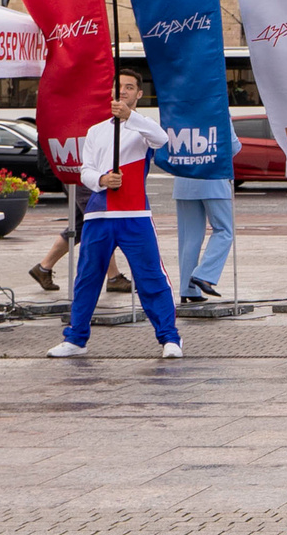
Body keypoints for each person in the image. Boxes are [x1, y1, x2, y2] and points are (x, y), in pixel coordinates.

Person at [47, 72, 186, 362]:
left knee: (150, 277)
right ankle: (76, 338)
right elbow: (84, 171)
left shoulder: (143, 128)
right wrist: (101, 179)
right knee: (87, 277)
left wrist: (130, 117)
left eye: (129, 88)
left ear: (138, 95)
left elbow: (161, 140)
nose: (122, 92)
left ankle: (170, 338)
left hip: (135, 214)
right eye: (118, 87)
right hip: (99, 216)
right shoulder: (97, 131)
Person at [174, 170, 235, 302]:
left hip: (184, 182)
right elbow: (233, 149)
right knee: (224, 231)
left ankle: (187, 289)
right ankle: (204, 275)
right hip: (214, 180)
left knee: (189, 237)